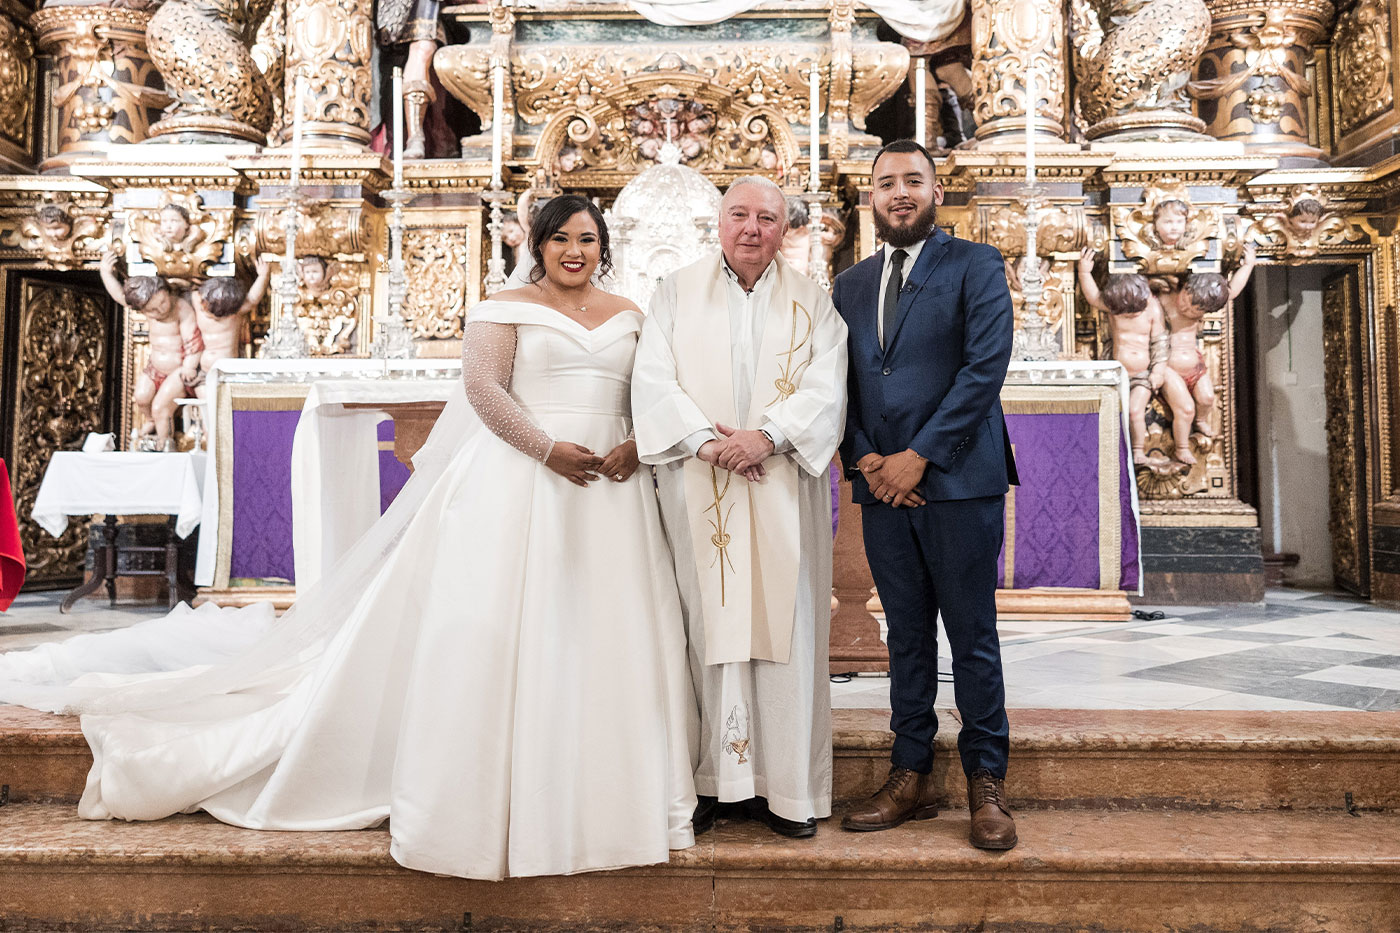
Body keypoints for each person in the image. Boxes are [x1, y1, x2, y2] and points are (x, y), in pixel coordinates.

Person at [0, 194, 697, 881]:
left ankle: (602, 785)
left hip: (612, 489)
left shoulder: (631, 313)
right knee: (501, 629)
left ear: (603, 246)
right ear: (537, 244)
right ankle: (500, 792)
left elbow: (651, 392)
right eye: (561, 239)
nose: (575, 251)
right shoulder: (499, 307)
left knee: (605, 629)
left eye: (587, 239)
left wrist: (636, 443)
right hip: (523, 479)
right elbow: (485, 390)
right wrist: (546, 449)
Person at [632, 175, 848, 839]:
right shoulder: (672, 293)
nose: (751, 228)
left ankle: (785, 787)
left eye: (767, 218)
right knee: (705, 627)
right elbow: (652, 378)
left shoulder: (815, 302)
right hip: (701, 486)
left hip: (780, 483)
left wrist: (766, 437)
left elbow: (827, 385)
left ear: (785, 228)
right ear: (716, 222)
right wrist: (706, 445)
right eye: (739, 215)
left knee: (786, 633)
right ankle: (709, 782)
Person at [831, 139, 1019, 851]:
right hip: (882, 486)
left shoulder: (974, 263)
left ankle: (987, 780)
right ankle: (909, 772)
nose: (899, 192)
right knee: (905, 638)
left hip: (959, 480)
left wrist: (919, 458)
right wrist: (869, 459)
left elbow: (983, 369)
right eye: (886, 183)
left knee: (971, 636)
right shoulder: (848, 284)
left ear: (937, 193)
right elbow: (837, 383)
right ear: (870, 198)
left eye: (914, 180)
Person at [1078, 250, 1167, 465]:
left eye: (1133, 309)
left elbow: (1160, 342)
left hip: (1141, 375)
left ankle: (1138, 450)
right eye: (1123, 309)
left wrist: (1158, 370)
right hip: (1116, 373)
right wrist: (1084, 271)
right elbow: (1093, 297)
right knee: (1107, 413)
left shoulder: (1152, 307)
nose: (1128, 313)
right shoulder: (1114, 305)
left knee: (1135, 411)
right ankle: (1106, 450)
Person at [100, 252, 195, 449]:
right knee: (141, 397)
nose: (160, 310)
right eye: (153, 310)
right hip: (155, 367)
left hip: (178, 371)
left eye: (162, 303)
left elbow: (192, 339)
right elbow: (120, 296)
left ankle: (165, 446)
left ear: (167, 292)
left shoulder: (180, 308)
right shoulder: (145, 306)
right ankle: (151, 420)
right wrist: (106, 273)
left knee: (161, 408)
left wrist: (190, 366)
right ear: (142, 309)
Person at [187, 259, 271, 397]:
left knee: (225, 410)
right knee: (208, 409)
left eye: (221, 311)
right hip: (204, 372)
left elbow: (253, 298)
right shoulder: (198, 301)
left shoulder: (234, 314)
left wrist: (263, 276)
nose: (213, 314)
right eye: (208, 308)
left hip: (229, 373)